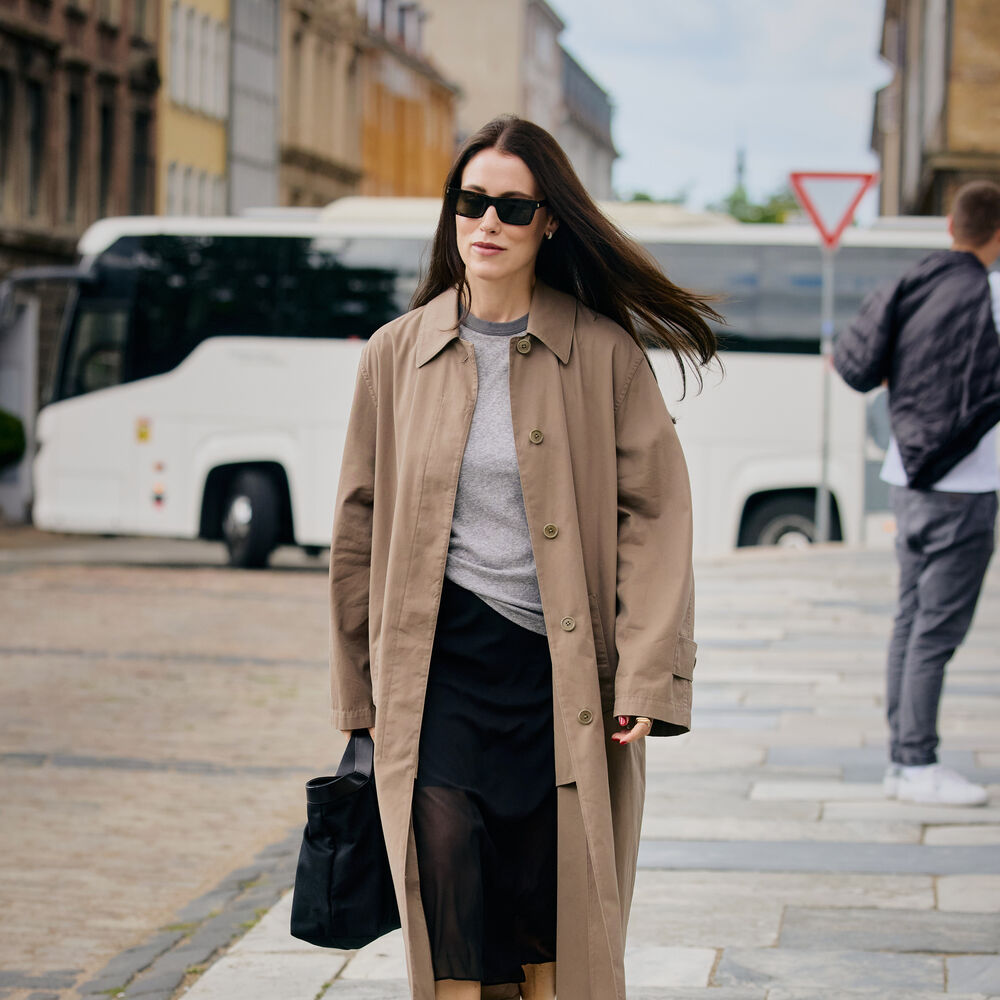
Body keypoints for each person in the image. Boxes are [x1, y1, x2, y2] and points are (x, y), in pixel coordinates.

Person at [328, 115, 720, 1000]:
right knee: (450, 904)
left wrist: (647, 675)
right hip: (436, 674)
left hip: (557, 676)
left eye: (512, 206)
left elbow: (655, 517)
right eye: (471, 201)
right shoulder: (396, 354)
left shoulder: (605, 355)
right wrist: (357, 694)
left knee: (549, 927)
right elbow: (357, 527)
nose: (488, 222)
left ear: (548, 222)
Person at [834, 179, 1000, 807]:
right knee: (935, 631)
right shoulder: (988, 293)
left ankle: (902, 763)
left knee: (910, 622)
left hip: (906, 478)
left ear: (951, 227)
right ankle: (918, 763)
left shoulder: (917, 282)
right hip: (963, 486)